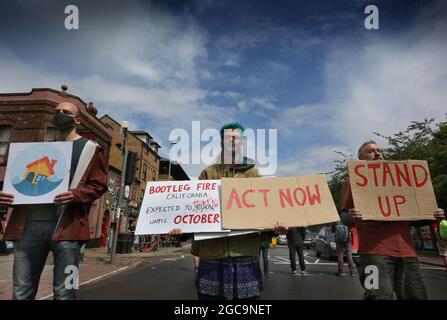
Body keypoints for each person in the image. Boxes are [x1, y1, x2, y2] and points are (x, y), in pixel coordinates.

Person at [0, 101, 108, 300]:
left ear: (77, 120)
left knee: (65, 291)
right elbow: (22, 181)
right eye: (56, 111)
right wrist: (8, 195)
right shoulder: (37, 149)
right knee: (21, 291)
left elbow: (99, 185)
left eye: (65, 112)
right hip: (28, 228)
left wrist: (75, 195)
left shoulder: (92, 149)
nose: (59, 114)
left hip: (68, 229)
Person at [170, 122, 287, 300]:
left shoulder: (253, 175)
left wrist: (274, 228)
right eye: (228, 138)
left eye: (237, 138)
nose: (233, 141)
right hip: (212, 256)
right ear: (221, 143)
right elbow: (196, 212)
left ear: (242, 143)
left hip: (245, 254)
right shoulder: (207, 174)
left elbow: (264, 211)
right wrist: (182, 231)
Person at [341, 140, 445, 300]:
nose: (377, 153)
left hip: (407, 254)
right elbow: (344, 218)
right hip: (372, 254)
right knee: (375, 295)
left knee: (416, 296)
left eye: (378, 150)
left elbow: (413, 219)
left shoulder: (402, 181)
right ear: (361, 159)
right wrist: (351, 216)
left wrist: (432, 215)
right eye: (370, 151)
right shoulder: (353, 182)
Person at [433, 209, 447, 276]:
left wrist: (439, 241)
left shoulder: (436, 224)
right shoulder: (446, 221)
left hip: (442, 241)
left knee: (445, 256)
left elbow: (436, 233)